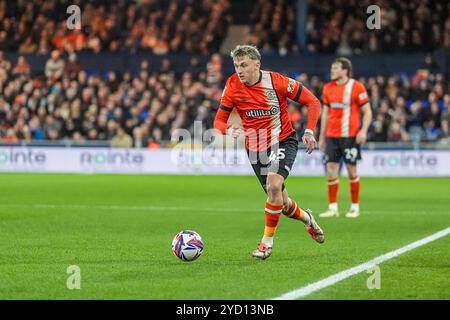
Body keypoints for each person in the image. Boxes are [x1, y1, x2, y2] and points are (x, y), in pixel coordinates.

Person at [213, 45, 324, 260]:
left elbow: (313, 101)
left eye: (244, 65)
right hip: (255, 149)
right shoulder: (232, 85)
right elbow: (218, 121)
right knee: (281, 202)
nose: (239, 70)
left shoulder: (277, 82)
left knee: (273, 185)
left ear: (257, 64)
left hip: (282, 141)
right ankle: (307, 219)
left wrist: (309, 131)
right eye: (236, 66)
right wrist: (228, 129)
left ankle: (266, 245)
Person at [318, 57, 373, 218]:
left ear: (345, 70)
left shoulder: (357, 87)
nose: (332, 70)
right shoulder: (328, 88)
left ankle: (354, 207)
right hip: (332, 136)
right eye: (332, 68)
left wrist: (363, 131)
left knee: (351, 169)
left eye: (335, 68)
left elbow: (368, 111)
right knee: (331, 170)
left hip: (350, 136)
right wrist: (321, 137)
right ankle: (333, 207)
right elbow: (325, 114)